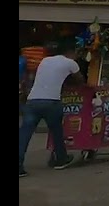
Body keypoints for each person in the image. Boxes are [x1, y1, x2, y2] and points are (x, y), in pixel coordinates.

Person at [19, 39, 84, 176]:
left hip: (33, 100)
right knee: (56, 131)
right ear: (71, 51)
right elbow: (80, 81)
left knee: (25, 133)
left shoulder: (45, 60)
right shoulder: (71, 63)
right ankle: (61, 159)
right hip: (52, 102)